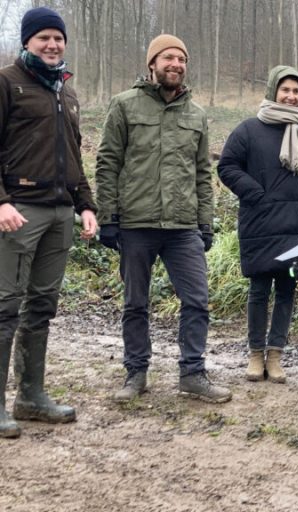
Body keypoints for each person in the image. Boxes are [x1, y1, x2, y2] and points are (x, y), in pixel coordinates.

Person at [95, 34, 231, 404]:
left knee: (197, 301)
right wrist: (108, 216)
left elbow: (203, 174)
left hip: (182, 227)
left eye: (181, 59)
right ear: (152, 63)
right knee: (135, 303)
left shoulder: (196, 115)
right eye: (167, 57)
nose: (175, 64)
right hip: (136, 224)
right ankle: (136, 373)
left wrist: (206, 222)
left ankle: (192, 374)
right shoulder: (124, 106)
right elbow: (108, 162)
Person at [0, 7, 98, 439]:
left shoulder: (66, 91)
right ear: (27, 42)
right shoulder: (7, 82)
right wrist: (1, 201)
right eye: (43, 38)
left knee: (41, 305)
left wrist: (86, 204)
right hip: (18, 210)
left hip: (60, 212)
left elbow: (75, 156)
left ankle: (31, 397)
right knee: (5, 307)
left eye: (58, 38)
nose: (52, 45)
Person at [217, 66, 298, 384]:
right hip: (260, 221)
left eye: (297, 92)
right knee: (258, 289)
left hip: (297, 223)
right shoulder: (249, 130)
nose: (292, 96)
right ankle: (255, 354)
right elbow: (227, 166)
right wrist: (255, 193)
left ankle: (276, 354)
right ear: (273, 91)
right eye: (286, 90)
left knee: (286, 290)